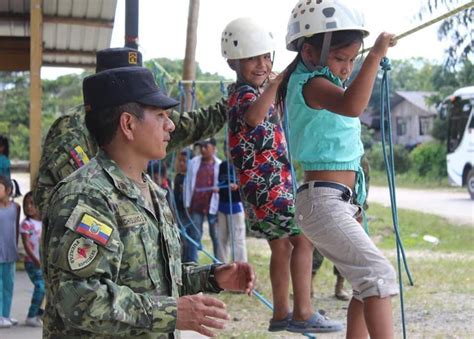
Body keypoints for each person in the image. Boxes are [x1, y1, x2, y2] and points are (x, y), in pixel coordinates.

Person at [42, 66, 255, 338]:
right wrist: (172, 312)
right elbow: (81, 299)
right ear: (128, 124)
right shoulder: (87, 195)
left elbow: (157, 280)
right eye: (161, 115)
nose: (171, 125)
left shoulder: (151, 191)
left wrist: (213, 277)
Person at [278, 1, 399, 337]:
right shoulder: (311, 84)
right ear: (310, 52)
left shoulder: (322, 80)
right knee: (379, 277)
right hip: (323, 201)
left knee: (365, 284)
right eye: (340, 59)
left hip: (338, 200)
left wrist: (369, 58)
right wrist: (373, 56)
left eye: (353, 60)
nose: (347, 69)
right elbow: (352, 105)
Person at [221, 17, 341, 333]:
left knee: (283, 246)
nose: (262, 64)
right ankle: (303, 312)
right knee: (304, 239)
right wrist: (275, 82)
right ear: (233, 61)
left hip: (268, 187)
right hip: (268, 188)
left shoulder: (251, 91)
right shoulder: (245, 95)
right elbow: (254, 115)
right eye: (252, 58)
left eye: (266, 56)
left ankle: (281, 313)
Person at [34, 47, 228, 219]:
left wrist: (234, 103)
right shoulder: (73, 128)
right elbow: (66, 205)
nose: (168, 125)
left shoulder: (145, 117)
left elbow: (191, 125)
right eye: (126, 77)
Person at [184, 138, 221, 262]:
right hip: (196, 204)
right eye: (201, 147)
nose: (203, 150)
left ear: (214, 149)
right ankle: (193, 262)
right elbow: (188, 183)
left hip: (213, 206)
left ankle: (218, 262)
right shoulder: (194, 162)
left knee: (215, 236)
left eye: (206, 147)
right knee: (195, 234)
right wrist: (187, 203)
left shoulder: (219, 165)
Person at [215, 144, 247, 263]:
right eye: (226, 150)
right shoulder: (222, 165)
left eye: (230, 150)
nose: (228, 152)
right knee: (222, 238)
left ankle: (240, 264)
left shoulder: (241, 165)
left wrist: (237, 186)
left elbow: (246, 185)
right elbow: (220, 182)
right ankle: (221, 264)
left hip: (236, 206)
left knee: (237, 239)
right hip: (222, 206)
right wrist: (218, 187)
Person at [19, 191, 45, 327]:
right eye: (26, 204)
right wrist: (36, 260)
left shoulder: (43, 222)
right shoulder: (26, 224)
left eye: (32, 204)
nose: (29, 207)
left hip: (43, 263)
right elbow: (27, 245)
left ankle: (39, 312)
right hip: (32, 262)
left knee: (46, 289)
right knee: (40, 287)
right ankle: (31, 315)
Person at [0, 175, 20, 328]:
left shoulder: (16, 208)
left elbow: (16, 229)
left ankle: (6, 315)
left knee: (9, 286)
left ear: (8, 190)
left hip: (10, 252)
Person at [173, 149, 194, 262]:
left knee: (191, 239)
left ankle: (190, 260)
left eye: (184, 161)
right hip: (180, 211)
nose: (181, 163)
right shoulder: (178, 177)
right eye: (180, 161)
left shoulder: (192, 178)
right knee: (182, 237)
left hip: (190, 211)